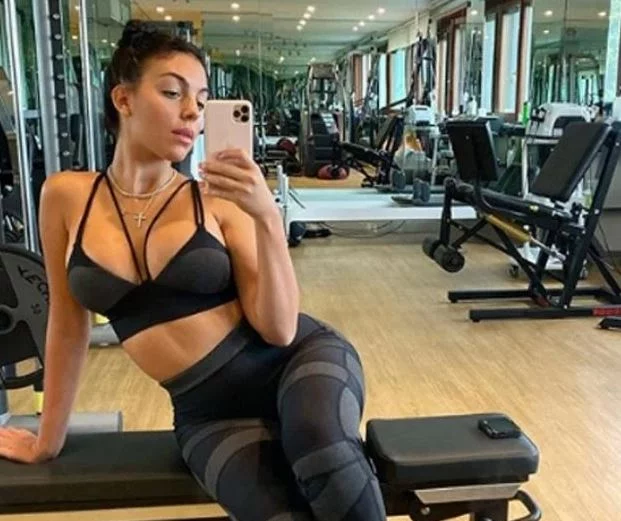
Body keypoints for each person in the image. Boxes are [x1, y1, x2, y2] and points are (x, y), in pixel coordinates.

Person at [0, 20, 386, 521]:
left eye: (201, 102)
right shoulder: (65, 195)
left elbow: (279, 329)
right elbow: (67, 325)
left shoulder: (215, 199)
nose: (191, 113)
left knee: (322, 451)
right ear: (123, 98)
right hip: (206, 411)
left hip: (295, 364)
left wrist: (267, 217)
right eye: (172, 92)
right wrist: (47, 441)